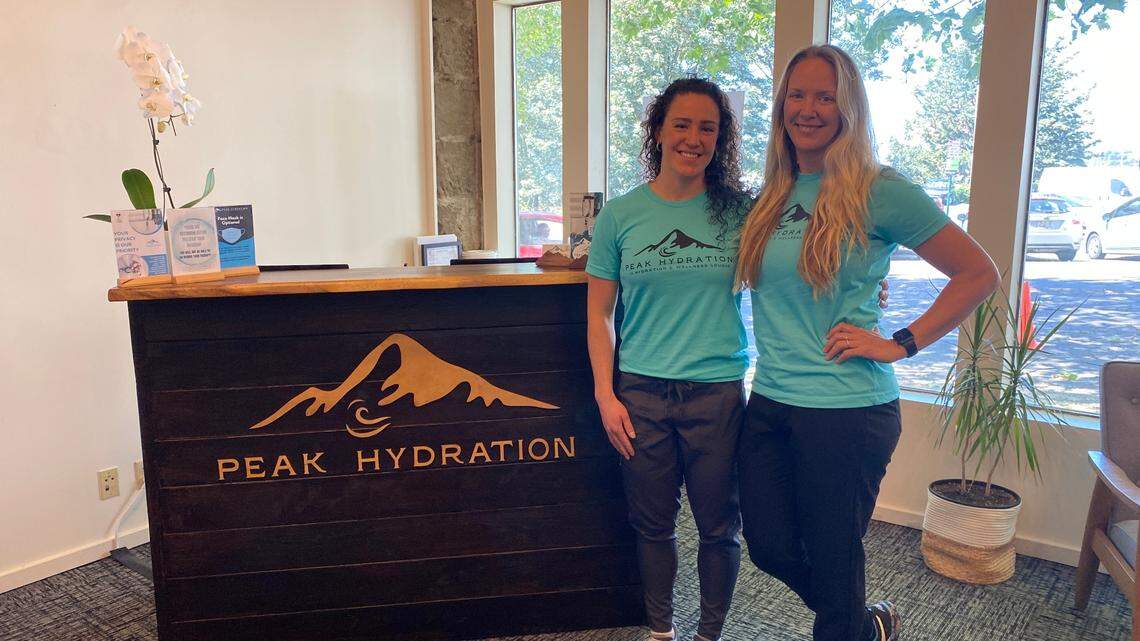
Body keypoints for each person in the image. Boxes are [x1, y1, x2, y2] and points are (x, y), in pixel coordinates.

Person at [733, 45, 999, 641]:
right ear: (781, 106)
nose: (808, 108)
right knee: (769, 548)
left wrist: (900, 343)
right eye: (797, 95)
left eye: (825, 96)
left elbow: (979, 273)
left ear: (848, 107)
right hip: (771, 400)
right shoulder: (772, 194)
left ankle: (846, 625)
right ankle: (862, 621)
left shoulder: (880, 190)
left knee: (833, 554)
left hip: (848, 410)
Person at [585, 77, 752, 641]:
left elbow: (797, 265)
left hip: (717, 394)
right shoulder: (620, 215)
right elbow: (601, 314)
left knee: (719, 527)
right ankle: (662, 633)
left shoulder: (741, 213)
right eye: (681, 124)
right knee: (652, 526)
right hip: (641, 395)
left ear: (720, 138)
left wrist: (867, 291)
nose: (693, 138)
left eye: (708, 127)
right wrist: (606, 396)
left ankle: (710, 634)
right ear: (658, 130)